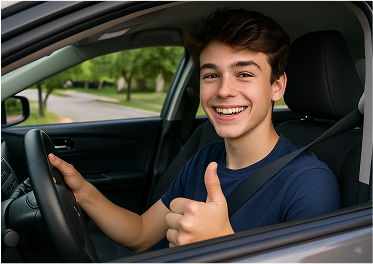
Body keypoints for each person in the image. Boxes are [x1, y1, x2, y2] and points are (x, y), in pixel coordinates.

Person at [48, 9, 341, 252]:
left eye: (244, 74)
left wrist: (223, 245)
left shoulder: (309, 184)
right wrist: (83, 192)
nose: (224, 90)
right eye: (211, 74)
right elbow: (140, 235)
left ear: (277, 86)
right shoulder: (204, 161)